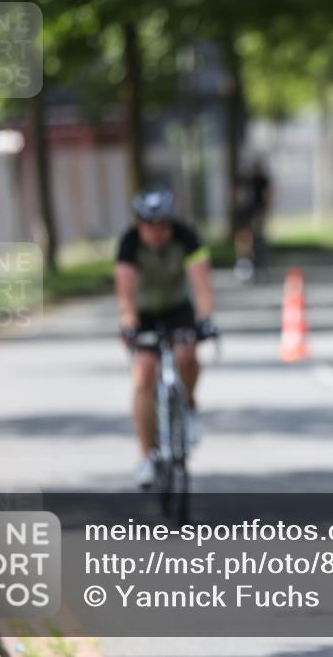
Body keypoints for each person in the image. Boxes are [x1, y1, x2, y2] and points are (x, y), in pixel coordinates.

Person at [115, 187, 217, 488]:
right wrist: (129, 323)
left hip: (177, 309)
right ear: (139, 225)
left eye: (163, 225)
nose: (157, 231)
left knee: (187, 354)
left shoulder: (186, 237)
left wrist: (205, 320)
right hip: (145, 312)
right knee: (145, 373)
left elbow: (201, 284)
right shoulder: (129, 243)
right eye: (150, 225)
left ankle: (188, 403)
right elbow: (126, 292)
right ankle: (147, 456)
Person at [234, 158, 272, 282]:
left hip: (255, 213)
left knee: (257, 239)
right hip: (248, 213)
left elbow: (268, 195)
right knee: (245, 239)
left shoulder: (259, 180)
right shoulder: (245, 179)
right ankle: (246, 264)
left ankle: (258, 266)